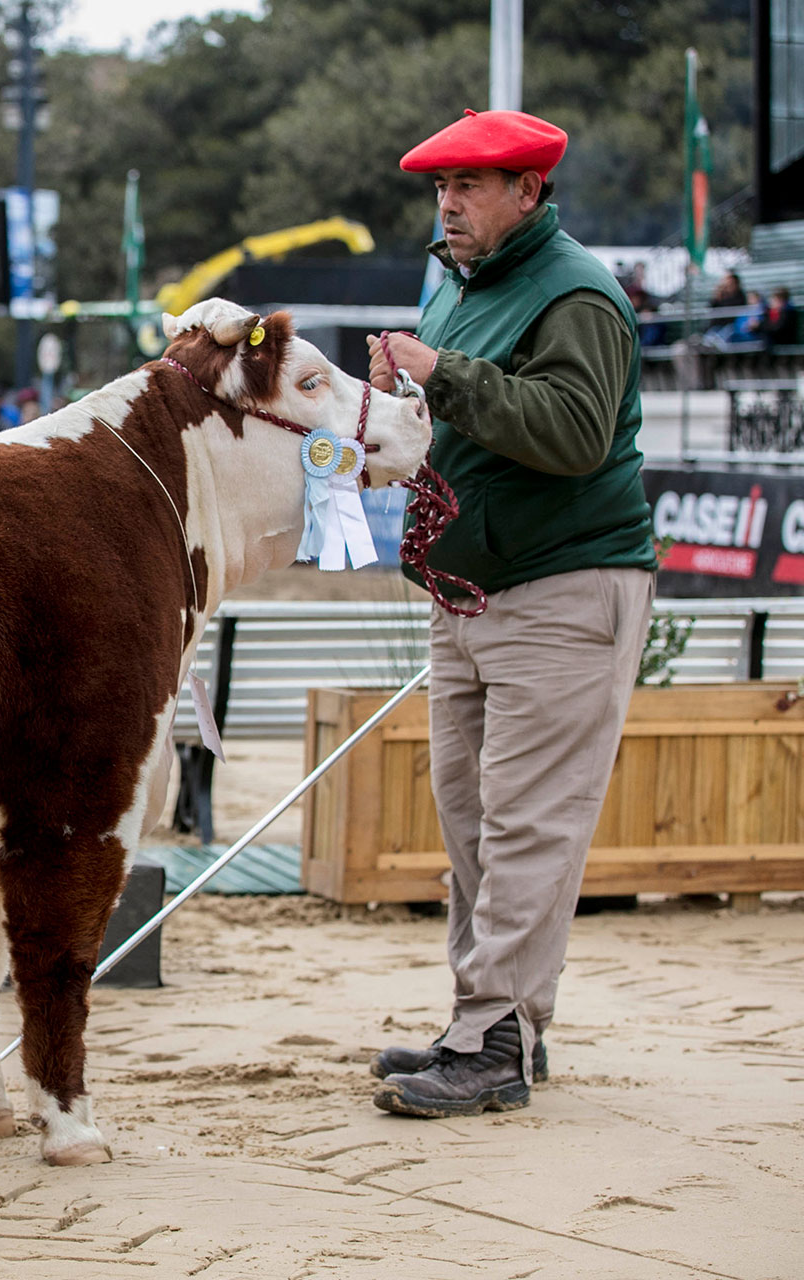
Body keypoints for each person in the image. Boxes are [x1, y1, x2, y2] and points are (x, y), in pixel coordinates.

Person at [364, 109, 656, 1120]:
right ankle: (497, 1025)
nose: (447, 201)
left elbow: (574, 433)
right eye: (441, 186)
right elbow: (462, 420)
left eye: (472, 184)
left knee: (527, 823)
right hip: (476, 589)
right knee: (474, 822)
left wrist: (440, 373)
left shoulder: (575, 292)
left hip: (565, 585)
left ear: (529, 192)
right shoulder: (462, 287)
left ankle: (487, 1037)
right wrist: (403, 403)